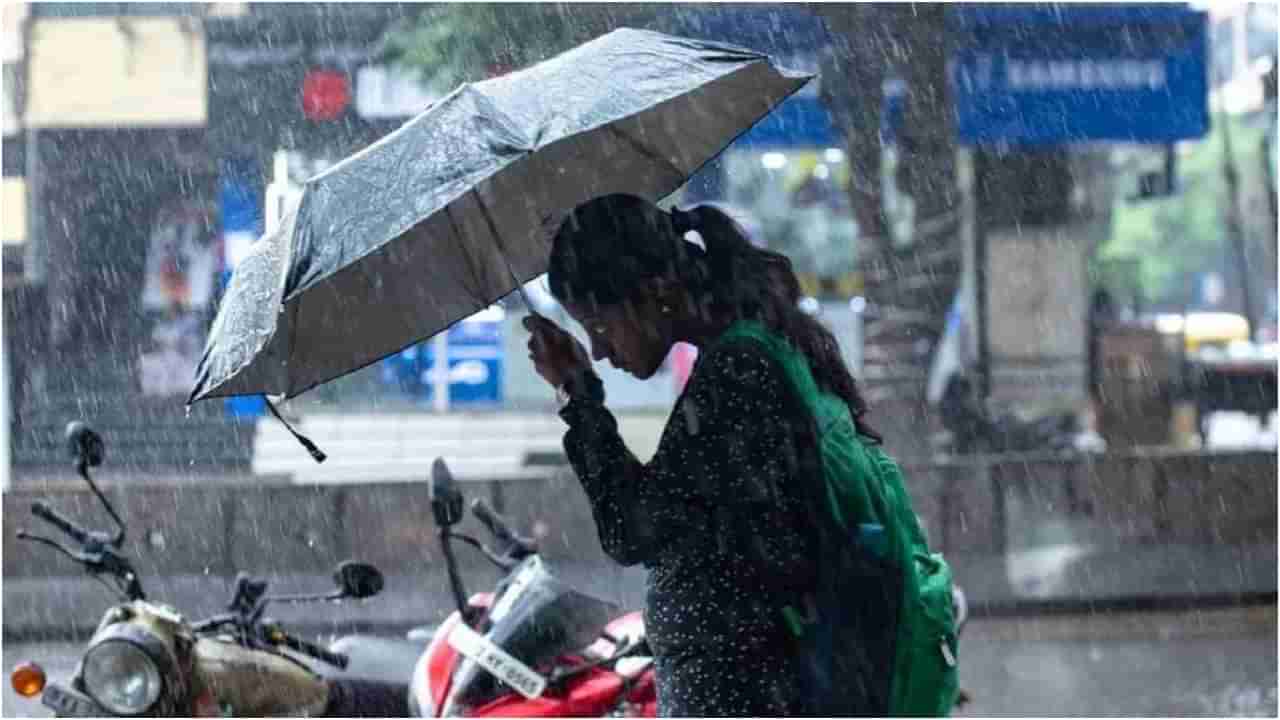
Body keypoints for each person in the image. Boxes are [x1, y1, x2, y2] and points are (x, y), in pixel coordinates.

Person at [523, 194, 882, 717]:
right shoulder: (744, 356)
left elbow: (631, 526)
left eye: (601, 325)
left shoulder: (736, 376)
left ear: (657, 292)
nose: (600, 349)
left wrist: (579, 394)